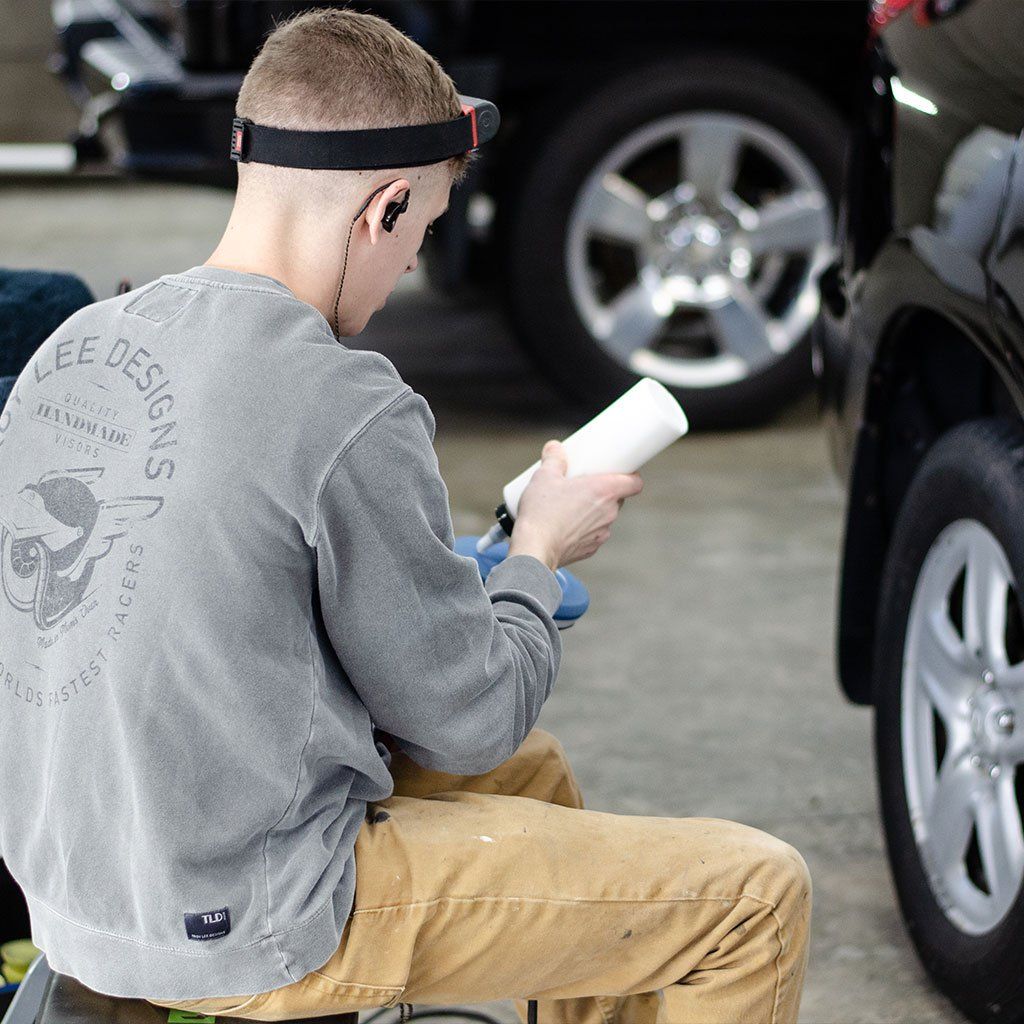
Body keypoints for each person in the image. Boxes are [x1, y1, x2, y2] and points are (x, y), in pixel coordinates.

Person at [0, 8, 810, 1023]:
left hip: (84, 888)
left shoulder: (72, 349)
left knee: (533, 776)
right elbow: (469, 717)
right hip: (250, 916)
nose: (409, 268)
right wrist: (535, 555)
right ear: (383, 207)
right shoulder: (343, 399)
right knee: (753, 892)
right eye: (419, 234)